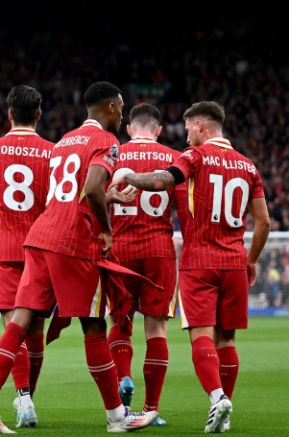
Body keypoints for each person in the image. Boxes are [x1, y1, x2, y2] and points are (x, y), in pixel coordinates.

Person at [0, 82, 158, 433]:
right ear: (113, 107)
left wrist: (108, 195)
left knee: (19, 323)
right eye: (121, 108)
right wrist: (104, 228)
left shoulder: (65, 142)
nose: (121, 114)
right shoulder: (106, 141)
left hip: (40, 238)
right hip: (73, 243)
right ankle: (117, 417)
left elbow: (73, 193)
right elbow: (88, 188)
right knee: (94, 327)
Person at [111, 101, 271, 433]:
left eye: (187, 129)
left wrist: (128, 176)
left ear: (199, 125)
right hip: (232, 261)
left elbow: (161, 183)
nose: (185, 137)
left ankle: (215, 399)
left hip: (195, 260)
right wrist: (251, 259)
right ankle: (213, 406)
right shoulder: (249, 166)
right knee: (226, 339)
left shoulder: (192, 159)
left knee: (195, 334)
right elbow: (265, 222)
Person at [0, 85, 54, 428]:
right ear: (39, 114)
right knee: (34, 331)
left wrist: (7, 221)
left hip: (5, 249)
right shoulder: (55, 153)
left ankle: (22, 399)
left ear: (8, 114)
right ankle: (27, 402)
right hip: (42, 250)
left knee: (13, 327)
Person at [106, 103, 190, 425]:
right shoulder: (174, 158)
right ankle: (151, 408)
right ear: (157, 130)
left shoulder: (113, 154)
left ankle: (123, 379)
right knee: (156, 329)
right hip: (160, 250)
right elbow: (184, 209)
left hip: (120, 250)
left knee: (120, 324)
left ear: (129, 129)